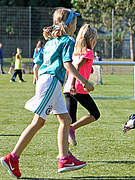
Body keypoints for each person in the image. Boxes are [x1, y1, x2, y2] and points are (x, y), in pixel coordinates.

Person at [1, 8, 94, 178]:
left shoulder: (51, 41)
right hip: (51, 82)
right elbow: (67, 64)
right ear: (70, 24)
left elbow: (42, 64)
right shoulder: (68, 40)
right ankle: (12, 157)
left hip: (50, 82)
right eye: (75, 22)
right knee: (37, 122)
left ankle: (64, 159)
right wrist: (84, 81)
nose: (76, 25)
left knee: (66, 120)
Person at [63, 24, 100, 146]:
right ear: (91, 40)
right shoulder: (88, 52)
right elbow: (77, 66)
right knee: (95, 114)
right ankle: (73, 128)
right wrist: (74, 84)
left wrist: (89, 70)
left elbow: (73, 67)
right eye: (95, 39)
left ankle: (65, 154)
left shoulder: (76, 52)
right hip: (77, 89)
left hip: (67, 89)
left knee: (69, 120)